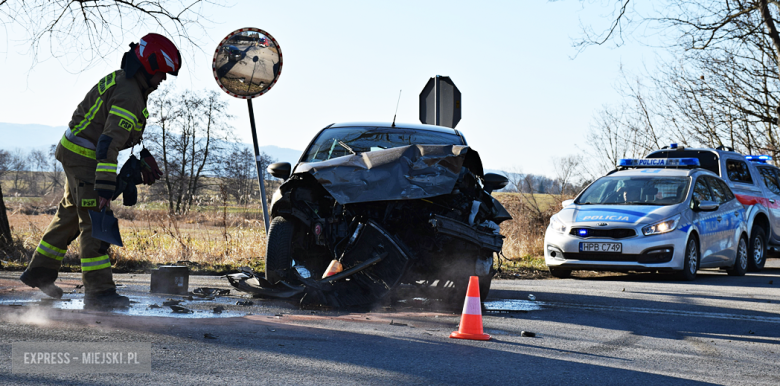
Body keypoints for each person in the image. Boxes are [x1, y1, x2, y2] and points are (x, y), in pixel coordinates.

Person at [19, 33, 181, 309]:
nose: (164, 80)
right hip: (85, 157)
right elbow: (108, 143)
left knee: (70, 215)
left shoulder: (125, 80)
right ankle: (99, 293)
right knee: (95, 222)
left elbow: (113, 135)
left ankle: (39, 272)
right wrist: (105, 187)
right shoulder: (130, 93)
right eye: (163, 73)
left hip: (73, 150)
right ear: (151, 66)